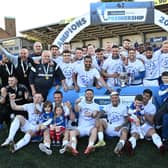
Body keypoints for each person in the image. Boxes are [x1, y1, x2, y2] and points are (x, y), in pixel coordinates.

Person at [126, 89, 166, 155]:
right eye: (144, 95)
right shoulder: (135, 103)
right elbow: (128, 116)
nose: (144, 97)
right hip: (136, 124)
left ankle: (161, 146)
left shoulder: (152, 107)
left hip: (146, 125)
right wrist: (134, 117)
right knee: (135, 135)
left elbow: (151, 122)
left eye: (147, 96)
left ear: (150, 98)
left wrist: (143, 113)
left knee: (153, 131)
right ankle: (130, 148)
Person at [66, 89, 99, 155]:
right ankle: (73, 148)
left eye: (90, 94)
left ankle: (90, 146)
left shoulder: (96, 105)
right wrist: (76, 103)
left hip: (90, 127)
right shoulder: (81, 103)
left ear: (93, 95)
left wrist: (91, 114)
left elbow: (95, 114)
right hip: (81, 127)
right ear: (85, 95)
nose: (89, 95)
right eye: (87, 94)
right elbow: (77, 110)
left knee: (95, 129)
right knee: (72, 132)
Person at [95, 91, 129, 156]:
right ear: (110, 99)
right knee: (100, 121)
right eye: (112, 98)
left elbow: (127, 120)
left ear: (118, 98)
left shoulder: (123, 107)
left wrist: (120, 126)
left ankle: (118, 148)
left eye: (116, 98)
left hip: (120, 128)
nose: (114, 99)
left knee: (125, 132)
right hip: (110, 126)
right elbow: (101, 112)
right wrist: (97, 119)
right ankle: (101, 141)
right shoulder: (108, 106)